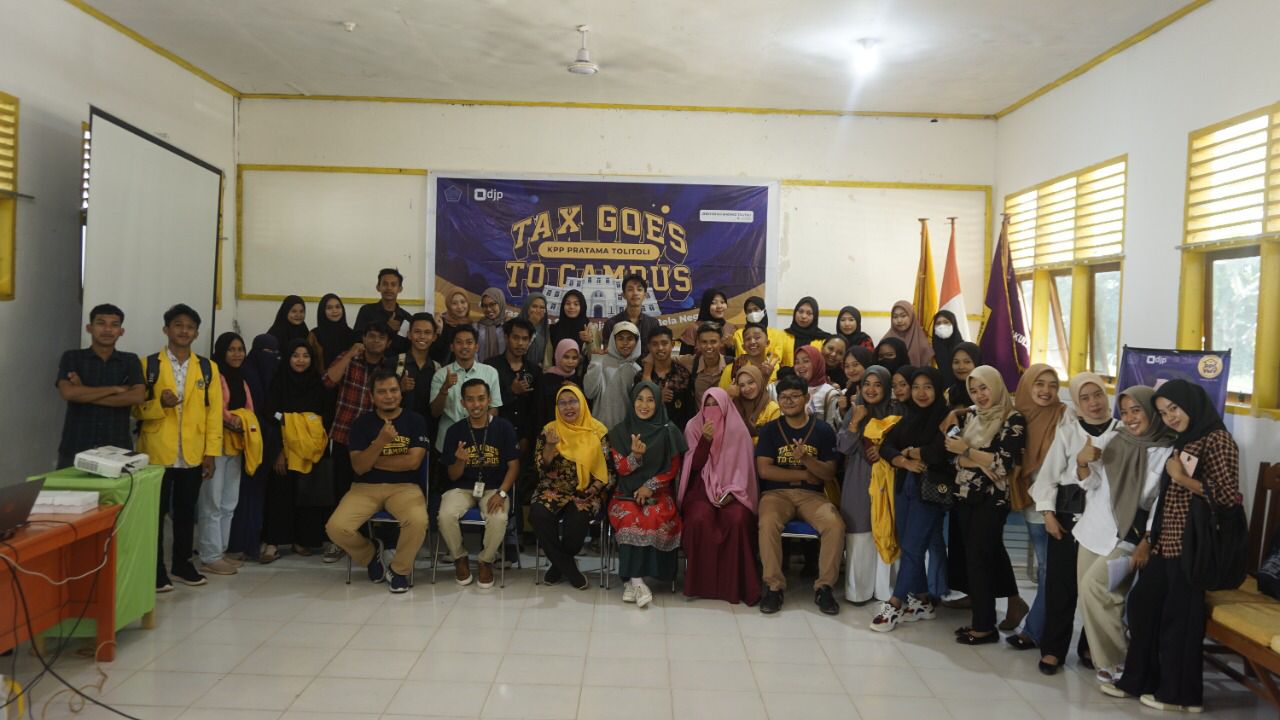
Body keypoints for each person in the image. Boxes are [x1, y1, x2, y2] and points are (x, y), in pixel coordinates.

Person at [1104, 380, 1239, 712]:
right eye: (1164, 413)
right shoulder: (1185, 439)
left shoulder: (1218, 440)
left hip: (1194, 547)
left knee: (1180, 618)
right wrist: (1152, 540)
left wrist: (1180, 478)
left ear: (1191, 404)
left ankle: (1180, 695)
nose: (1170, 417)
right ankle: (1139, 680)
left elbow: (1227, 497)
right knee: (1142, 604)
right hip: (1167, 544)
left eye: (1174, 409)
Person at [1076, 386, 1173, 684]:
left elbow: (1159, 505)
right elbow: (1091, 484)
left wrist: (1147, 541)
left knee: (1096, 588)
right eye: (1126, 411)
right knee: (1101, 597)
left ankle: (1121, 661)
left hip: (1131, 536)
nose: (1130, 417)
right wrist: (1081, 463)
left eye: (1137, 410)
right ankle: (1115, 660)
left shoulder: (1167, 450)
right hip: (1095, 528)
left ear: (1152, 412)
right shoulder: (1115, 439)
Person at [1032, 372, 1119, 674]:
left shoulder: (1122, 432)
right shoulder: (1068, 432)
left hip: (1106, 520)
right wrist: (1048, 515)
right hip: (1068, 514)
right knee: (1061, 584)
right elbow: (1048, 477)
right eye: (1085, 397)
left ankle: (1090, 646)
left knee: (1096, 587)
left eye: (1098, 395)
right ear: (1077, 403)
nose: (1093, 403)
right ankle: (1053, 648)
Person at [135, 304, 223, 591]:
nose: (184, 331)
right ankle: (155, 570)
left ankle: (183, 564)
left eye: (190, 327)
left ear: (196, 333)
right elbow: (135, 409)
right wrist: (159, 405)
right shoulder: (149, 365)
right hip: (156, 452)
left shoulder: (208, 368)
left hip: (192, 453)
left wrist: (211, 453)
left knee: (186, 512)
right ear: (166, 329)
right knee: (155, 514)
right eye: (178, 325)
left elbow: (213, 415)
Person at [325, 369, 430, 594]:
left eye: (393, 390)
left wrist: (372, 459)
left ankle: (399, 570)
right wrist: (381, 441)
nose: (389, 396)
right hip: (365, 488)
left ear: (401, 392)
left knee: (418, 521)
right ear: (372, 397)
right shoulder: (360, 424)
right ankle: (371, 554)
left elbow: (413, 462)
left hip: (405, 488)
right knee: (336, 528)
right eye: (382, 392)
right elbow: (359, 467)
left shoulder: (415, 420)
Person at [943, 365, 1026, 644]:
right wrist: (979, 460)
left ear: (997, 386)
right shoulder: (973, 416)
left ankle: (984, 626)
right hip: (965, 494)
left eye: (984, 388)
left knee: (979, 559)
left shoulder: (1012, 419)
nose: (980, 395)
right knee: (977, 556)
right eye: (974, 390)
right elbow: (952, 456)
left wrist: (968, 452)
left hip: (993, 499)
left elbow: (1003, 464)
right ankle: (985, 617)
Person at [755, 374, 845, 615]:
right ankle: (773, 587)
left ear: (806, 398)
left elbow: (828, 472)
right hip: (776, 494)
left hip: (812, 496)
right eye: (783, 397)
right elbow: (764, 470)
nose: (788, 401)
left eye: (794, 396)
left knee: (834, 524)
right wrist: (805, 474)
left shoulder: (823, 430)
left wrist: (805, 458)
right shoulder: (770, 430)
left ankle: (824, 587)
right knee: (767, 522)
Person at [872, 367, 953, 631]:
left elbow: (940, 453)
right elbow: (885, 446)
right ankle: (922, 600)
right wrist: (904, 460)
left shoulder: (947, 418)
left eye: (927, 386)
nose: (920, 392)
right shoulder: (909, 416)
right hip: (905, 487)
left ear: (937, 389)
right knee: (908, 544)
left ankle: (895, 603)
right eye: (915, 386)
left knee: (913, 547)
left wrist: (912, 451)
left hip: (930, 492)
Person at [1002, 364, 1067, 650]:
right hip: (1033, 504)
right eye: (1039, 383)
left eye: (1053, 385)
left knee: (1048, 570)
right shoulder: (1017, 417)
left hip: (1060, 506)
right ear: (1027, 385)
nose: (1046, 391)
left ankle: (1035, 630)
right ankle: (1043, 628)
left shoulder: (1064, 416)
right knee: (1046, 568)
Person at [606, 382, 686, 607]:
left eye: (650, 400)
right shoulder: (620, 432)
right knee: (630, 517)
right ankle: (637, 581)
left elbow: (672, 469)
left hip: (659, 493)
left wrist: (650, 486)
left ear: (658, 402)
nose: (644, 404)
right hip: (625, 494)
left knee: (652, 516)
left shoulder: (669, 431)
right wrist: (635, 457)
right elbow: (621, 469)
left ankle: (632, 583)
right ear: (632, 402)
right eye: (639, 399)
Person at [679, 387, 760, 605]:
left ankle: (733, 585)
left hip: (734, 490)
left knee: (737, 519)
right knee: (699, 518)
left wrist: (734, 492)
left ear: (725, 406)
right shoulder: (694, 426)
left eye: (716, 405)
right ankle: (701, 585)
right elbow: (693, 467)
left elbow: (745, 470)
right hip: (701, 487)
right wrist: (705, 441)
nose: (711, 409)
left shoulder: (738, 430)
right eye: (707, 405)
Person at [323, 322, 396, 562]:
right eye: (371, 335)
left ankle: (371, 541)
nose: (375, 341)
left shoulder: (390, 366)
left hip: (375, 441)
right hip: (344, 434)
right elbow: (328, 381)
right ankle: (340, 541)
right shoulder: (349, 358)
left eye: (381, 338)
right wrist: (349, 355)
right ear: (363, 338)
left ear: (388, 343)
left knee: (370, 492)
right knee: (342, 489)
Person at [440, 379, 519, 588]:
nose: (476, 405)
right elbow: (452, 476)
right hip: (462, 488)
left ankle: (486, 560)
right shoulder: (455, 431)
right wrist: (460, 461)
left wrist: (502, 493)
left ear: (489, 400)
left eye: (481, 399)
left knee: (498, 518)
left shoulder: (503, 427)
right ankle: (460, 557)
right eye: (470, 400)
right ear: (462, 403)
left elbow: (514, 466)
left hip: (494, 488)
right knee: (446, 514)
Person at [531, 385, 611, 590]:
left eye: (573, 401)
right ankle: (569, 568)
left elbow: (608, 470)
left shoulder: (598, 431)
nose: (568, 407)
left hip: (587, 492)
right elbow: (540, 467)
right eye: (562, 403)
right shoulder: (550, 430)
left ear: (582, 403)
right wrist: (550, 446)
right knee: (538, 513)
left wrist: (593, 489)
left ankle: (558, 567)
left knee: (578, 520)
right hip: (554, 488)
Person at [838, 366, 904, 604]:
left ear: (886, 387)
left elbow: (902, 445)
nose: (871, 389)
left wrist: (883, 450)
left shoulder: (897, 411)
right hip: (859, 478)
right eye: (867, 384)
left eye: (877, 385)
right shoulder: (855, 411)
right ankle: (859, 591)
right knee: (860, 530)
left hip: (888, 478)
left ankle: (886, 590)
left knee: (887, 527)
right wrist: (855, 421)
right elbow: (843, 447)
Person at [262, 338, 329, 562]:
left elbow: (321, 418)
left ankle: (301, 540)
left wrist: (295, 422)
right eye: (295, 355)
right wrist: (278, 451)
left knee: (306, 497)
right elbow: (271, 415)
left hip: (308, 451)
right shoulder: (279, 382)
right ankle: (272, 543)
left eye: (306, 356)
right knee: (278, 496)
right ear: (287, 358)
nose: (301, 360)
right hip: (283, 450)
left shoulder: (316, 384)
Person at [55, 303, 145, 468]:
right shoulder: (72, 357)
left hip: (118, 449)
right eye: (101, 323)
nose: (107, 329)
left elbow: (138, 396)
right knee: (69, 486)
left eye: (114, 325)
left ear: (121, 331)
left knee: (116, 487)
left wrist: (83, 392)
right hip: (76, 446)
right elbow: (67, 393)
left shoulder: (130, 360)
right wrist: (114, 389)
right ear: (89, 328)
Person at [198, 332, 257, 576]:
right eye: (231, 349)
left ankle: (220, 552)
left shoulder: (241, 378)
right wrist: (234, 420)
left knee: (229, 501)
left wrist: (243, 422)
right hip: (216, 446)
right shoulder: (215, 377)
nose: (237, 354)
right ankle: (209, 555)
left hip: (236, 444)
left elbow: (249, 409)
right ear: (221, 351)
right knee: (211, 501)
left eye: (240, 349)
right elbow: (215, 410)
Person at [227, 334, 280, 562]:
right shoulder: (241, 375)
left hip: (266, 442)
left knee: (256, 495)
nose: (269, 358)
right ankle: (233, 544)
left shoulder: (275, 375)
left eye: (273, 354)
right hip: (239, 441)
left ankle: (250, 542)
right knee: (235, 496)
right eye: (264, 353)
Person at [429, 324, 503, 452]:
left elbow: (494, 408)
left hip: (481, 440)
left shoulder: (490, 372)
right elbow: (435, 412)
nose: (464, 346)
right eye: (459, 342)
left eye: (469, 342)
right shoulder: (441, 374)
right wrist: (444, 389)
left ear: (476, 347)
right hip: (447, 440)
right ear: (452, 347)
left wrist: (479, 430)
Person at [487, 319, 540, 456]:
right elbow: (486, 404)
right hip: (495, 437)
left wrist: (526, 437)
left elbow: (535, 409)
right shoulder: (491, 367)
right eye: (516, 338)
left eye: (525, 339)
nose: (520, 343)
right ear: (506, 337)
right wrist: (511, 391)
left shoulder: (534, 370)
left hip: (525, 440)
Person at [583, 321, 641, 429]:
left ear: (636, 342)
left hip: (626, 432)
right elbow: (589, 393)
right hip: (599, 430)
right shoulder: (600, 362)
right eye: (620, 338)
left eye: (630, 339)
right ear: (613, 340)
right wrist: (596, 362)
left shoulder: (637, 371)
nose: (625, 343)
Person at [638, 326, 693, 428]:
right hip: (650, 432)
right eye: (655, 344)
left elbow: (690, 411)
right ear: (649, 347)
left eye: (664, 343)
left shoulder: (683, 374)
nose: (660, 348)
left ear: (672, 345)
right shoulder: (640, 376)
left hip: (678, 433)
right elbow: (637, 411)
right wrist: (657, 399)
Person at [354, 268, 413, 355]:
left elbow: (405, 346)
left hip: (395, 361)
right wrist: (386, 326)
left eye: (393, 284)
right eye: (385, 284)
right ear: (378, 287)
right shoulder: (366, 311)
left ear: (400, 289)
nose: (389, 288)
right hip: (369, 359)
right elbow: (357, 338)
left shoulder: (406, 317)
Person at [398, 312, 439, 427]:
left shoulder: (437, 368)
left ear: (434, 337)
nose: (422, 336)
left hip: (428, 429)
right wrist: (400, 388)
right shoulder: (395, 363)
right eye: (417, 331)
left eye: (427, 332)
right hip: (397, 429)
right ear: (409, 334)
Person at [730, 296, 793, 369]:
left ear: (764, 311)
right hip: (746, 372)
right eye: (749, 311)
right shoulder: (739, 334)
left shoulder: (778, 334)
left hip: (774, 373)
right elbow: (742, 357)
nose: (753, 313)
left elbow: (782, 361)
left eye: (756, 309)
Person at [601, 273, 660, 348]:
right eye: (630, 290)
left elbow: (655, 350)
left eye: (639, 289)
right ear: (623, 295)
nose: (635, 293)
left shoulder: (653, 324)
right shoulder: (611, 324)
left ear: (645, 295)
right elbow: (608, 351)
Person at [537, 339, 583, 430]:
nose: (570, 361)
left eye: (574, 358)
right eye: (566, 357)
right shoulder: (545, 379)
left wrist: (578, 391)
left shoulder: (578, 380)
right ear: (558, 356)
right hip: (551, 430)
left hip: (574, 431)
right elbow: (539, 409)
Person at [676, 322, 725, 406]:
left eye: (713, 342)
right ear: (698, 343)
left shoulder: (732, 365)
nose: (709, 346)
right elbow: (664, 357)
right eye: (704, 342)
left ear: (721, 342)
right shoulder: (692, 361)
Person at [678, 288, 735, 357]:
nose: (719, 306)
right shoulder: (693, 328)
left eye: (722, 302)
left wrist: (730, 347)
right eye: (713, 303)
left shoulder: (731, 328)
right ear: (706, 305)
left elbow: (735, 358)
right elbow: (683, 359)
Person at [721, 323, 778, 391]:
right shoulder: (733, 369)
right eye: (748, 339)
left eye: (757, 337)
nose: (752, 342)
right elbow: (721, 395)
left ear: (767, 343)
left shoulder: (776, 368)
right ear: (743, 347)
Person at [793, 344, 841, 426]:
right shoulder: (792, 389)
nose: (800, 366)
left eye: (806, 361)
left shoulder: (830, 393)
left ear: (817, 363)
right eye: (797, 362)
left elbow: (832, 428)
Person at [730, 365, 779, 441]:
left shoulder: (772, 409)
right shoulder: (735, 407)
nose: (747, 388)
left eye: (751, 382)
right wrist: (729, 397)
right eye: (742, 385)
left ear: (759, 381)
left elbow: (772, 439)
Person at [309, 293, 356, 371]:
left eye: (338, 307)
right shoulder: (314, 335)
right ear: (322, 311)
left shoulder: (351, 334)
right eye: (329, 308)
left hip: (347, 377)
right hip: (319, 378)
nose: (334, 311)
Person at [880, 300, 934, 367]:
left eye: (903, 316)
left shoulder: (922, 341)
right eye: (895, 317)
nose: (899, 320)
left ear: (911, 316)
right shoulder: (886, 340)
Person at [432, 289, 472, 365]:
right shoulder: (440, 323)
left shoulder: (469, 324)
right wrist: (439, 332)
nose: (459, 307)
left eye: (463, 302)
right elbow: (434, 353)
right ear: (448, 306)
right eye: (454, 303)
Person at [784, 296, 830, 361]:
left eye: (809, 313)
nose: (804, 316)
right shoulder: (784, 335)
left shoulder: (823, 339)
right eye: (801, 311)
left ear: (815, 316)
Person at [930, 310, 965, 389]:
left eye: (946, 322)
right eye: (938, 323)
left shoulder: (964, 348)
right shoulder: (931, 350)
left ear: (953, 324)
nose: (942, 326)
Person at [944, 342, 981, 411]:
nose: (961, 367)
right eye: (956, 362)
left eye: (967, 362)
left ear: (977, 362)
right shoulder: (951, 394)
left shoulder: (989, 390)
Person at [518, 293, 552, 368]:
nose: (538, 310)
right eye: (534, 306)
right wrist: (531, 325)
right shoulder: (515, 326)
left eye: (542, 307)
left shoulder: (546, 330)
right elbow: (517, 350)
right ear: (527, 307)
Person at [475, 287, 508, 360]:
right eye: (485, 306)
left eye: (492, 304)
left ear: (500, 303)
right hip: (481, 366)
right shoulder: (476, 327)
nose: (488, 309)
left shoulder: (509, 327)